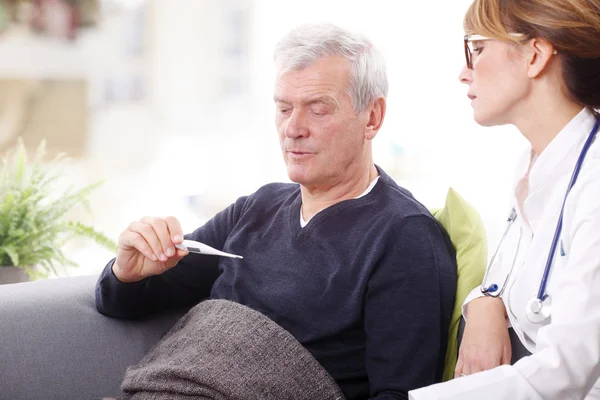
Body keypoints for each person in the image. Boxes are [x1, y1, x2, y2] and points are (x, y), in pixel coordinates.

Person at [96, 23, 457, 400]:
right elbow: (123, 302)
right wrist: (126, 272)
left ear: (372, 117)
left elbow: (401, 394)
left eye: (318, 110)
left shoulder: (405, 237)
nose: (292, 128)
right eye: (283, 108)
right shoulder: (258, 207)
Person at [408, 0, 600, 399]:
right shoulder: (534, 167)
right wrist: (483, 302)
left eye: (476, 50)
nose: (464, 73)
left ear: (535, 56)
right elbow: (517, 282)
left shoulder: (593, 182)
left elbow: (565, 372)